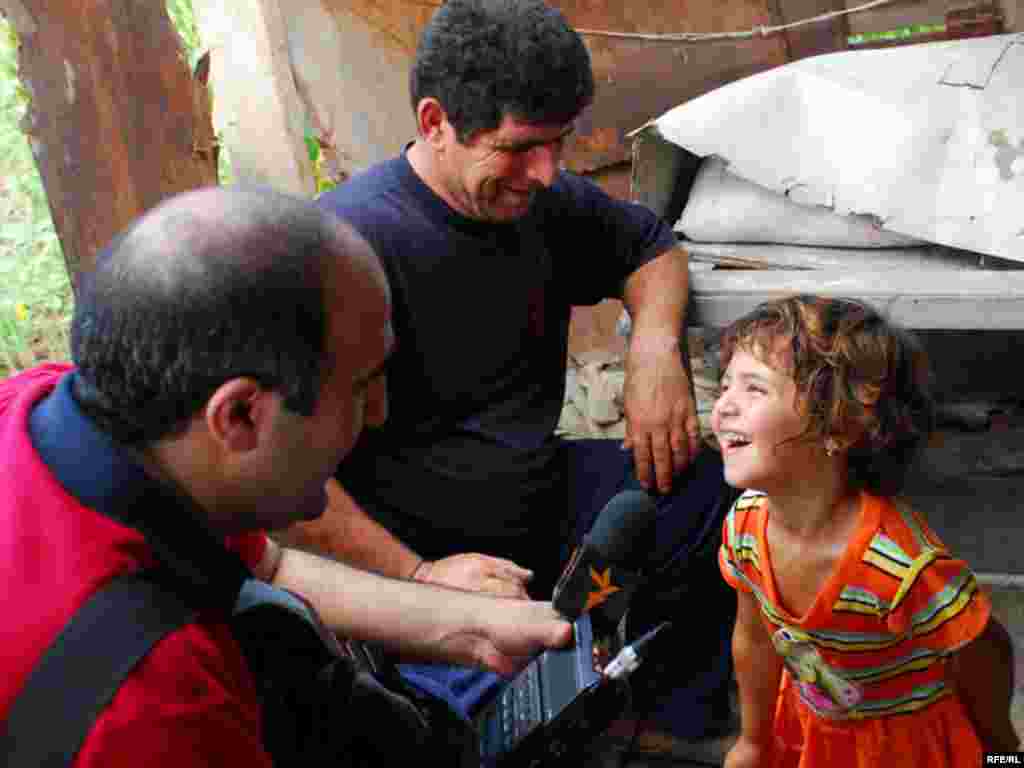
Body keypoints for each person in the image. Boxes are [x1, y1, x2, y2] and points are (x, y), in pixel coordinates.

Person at [0, 185, 572, 767]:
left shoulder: (54, 409)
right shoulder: (149, 705)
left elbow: (267, 565)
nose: (380, 413)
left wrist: (480, 627)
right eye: (361, 385)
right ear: (241, 414)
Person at [301, 0, 739, 747]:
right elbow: (294, 490)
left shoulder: (541, 202)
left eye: (561, 143)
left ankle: (670, 726)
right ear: (435, 121)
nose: (547, 172)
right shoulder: (340, 250)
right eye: (521, 148)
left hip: (541, 505)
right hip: (408, 555)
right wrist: (418, 579)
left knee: (710, 492)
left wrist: (652, 353)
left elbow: (650, 247)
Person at [713, 295, 1019, 767]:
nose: (723, 406)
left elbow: (985, 649)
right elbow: (753, 638)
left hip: (905, 748)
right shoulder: (745, 527)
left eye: (754, 389)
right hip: (815, 733)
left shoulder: (900, 566)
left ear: (840, 426)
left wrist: (1002, 750)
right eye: (725, 384)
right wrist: (753, 742)